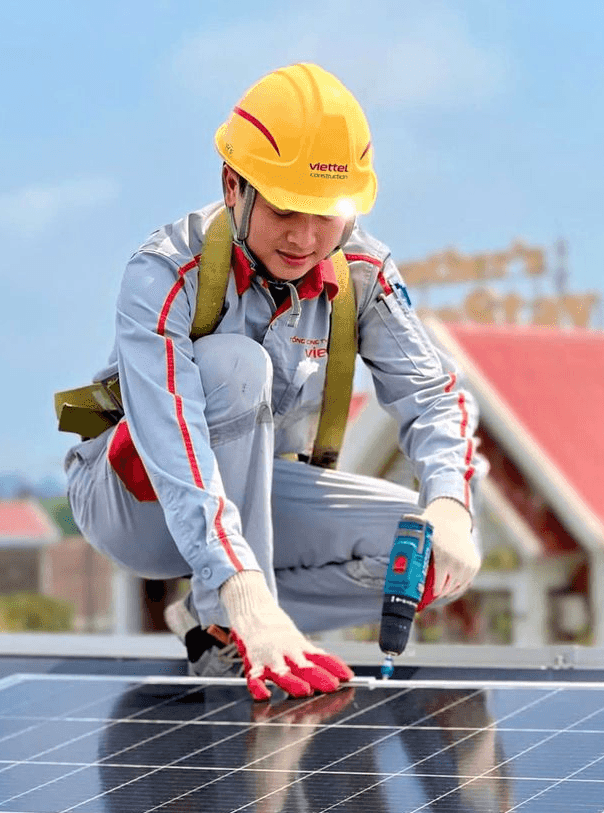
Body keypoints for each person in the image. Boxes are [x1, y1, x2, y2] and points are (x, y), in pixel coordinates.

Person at [63, 62, 484, 702]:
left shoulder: (362, 272)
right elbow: (174, 446)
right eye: (287, 209)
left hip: (246, 498)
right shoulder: (164, 270)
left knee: (420, 549)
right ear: (233, 185)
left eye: (328, 214)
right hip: (135, 498)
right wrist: (243, 592)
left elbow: (433, 396)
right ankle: (235, 618)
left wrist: (451, 503)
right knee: (236, 366)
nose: (306, 237)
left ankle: (212, 624)